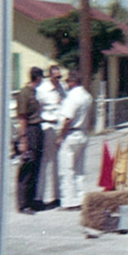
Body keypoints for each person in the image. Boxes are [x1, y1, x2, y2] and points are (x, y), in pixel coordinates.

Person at [55, 71, 93, 211]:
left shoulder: (72, 97)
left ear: (72, 82)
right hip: (82, 133)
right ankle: (80, 198)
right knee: (79, 169)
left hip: (70, 134)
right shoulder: (86, 96)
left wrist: (60, 136)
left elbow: (68, 118)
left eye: (67, 81)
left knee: (66, 169)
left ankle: (68, 201)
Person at [34, 65, 66, 209]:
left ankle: (57, 196)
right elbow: (37, 109)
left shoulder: (62, 88)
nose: (58, 79)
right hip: (48, 126)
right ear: (50, 76)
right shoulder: (42, 90)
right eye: (56, 77)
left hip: (60, 127)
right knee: (47, 163)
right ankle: (42, 197)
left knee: (59, 163)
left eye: (60, 76)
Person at [16, 67, 45, 214]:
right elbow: (22, 118)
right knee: (27, 167)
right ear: (38, 78)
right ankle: (23, 204)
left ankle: (31, 200)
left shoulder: (34, 92)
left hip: (37, 129)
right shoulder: (24, 93)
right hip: (29, 130)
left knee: (36, 167)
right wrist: (23, 139)